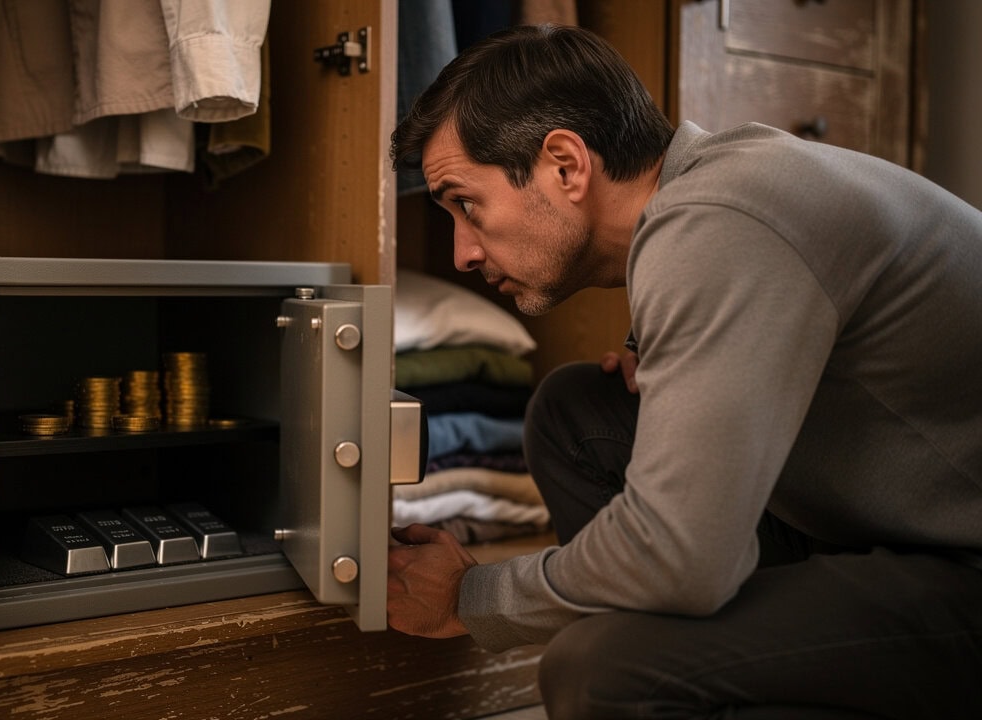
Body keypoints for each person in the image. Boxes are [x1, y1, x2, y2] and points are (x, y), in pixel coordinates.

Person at [386, 23, 982, 719]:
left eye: (466, 204)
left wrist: (472, 598)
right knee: (579, 413)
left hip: (963, 562)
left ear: (566, 165)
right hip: (895, 525)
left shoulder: (721, 218)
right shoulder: (714, 193)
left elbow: (679, 556)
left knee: (601, 673)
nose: (460, 251)